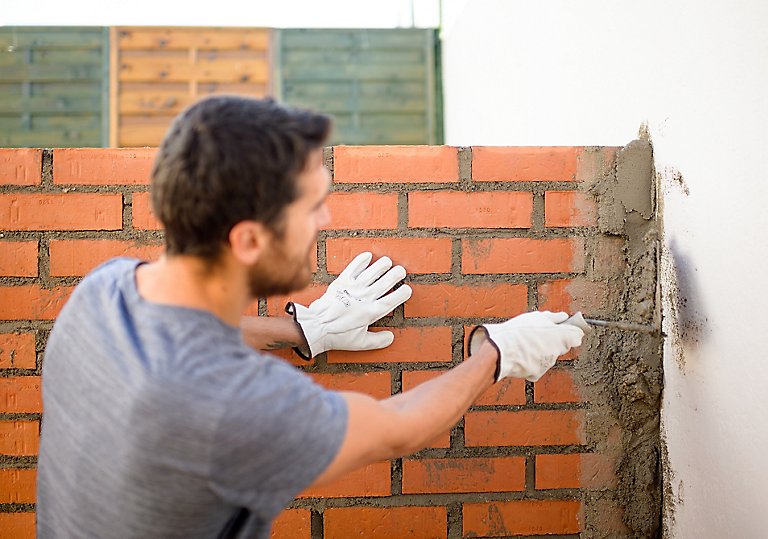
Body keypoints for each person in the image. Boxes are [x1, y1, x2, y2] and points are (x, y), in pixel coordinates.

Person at [36, 96, 584, 539]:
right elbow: (397, 430)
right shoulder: (230, 405)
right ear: (249, 240)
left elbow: (182, 331)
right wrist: (498, 353)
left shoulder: (102, 291)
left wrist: (304, 330)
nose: (325, 218)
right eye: (311, 205)